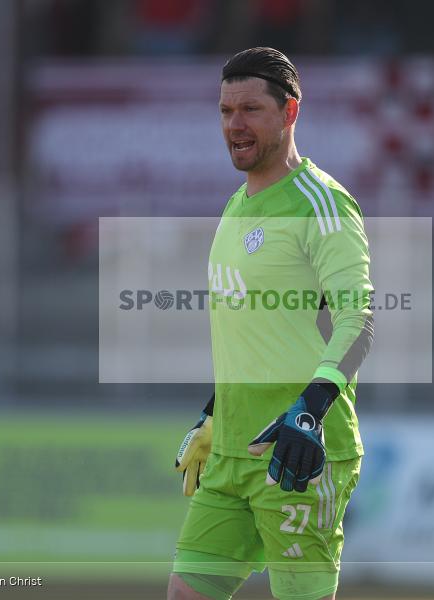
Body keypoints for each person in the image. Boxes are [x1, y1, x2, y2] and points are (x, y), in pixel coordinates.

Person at [168, 47, 375, 600]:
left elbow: (359, 322)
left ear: (290, 113)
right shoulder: (236, 205)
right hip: (234, 451)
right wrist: (216, 414)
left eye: (251, 109)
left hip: (298, 449)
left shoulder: (321, 203)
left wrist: (309, 410)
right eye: (225, 111)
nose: (235, 124)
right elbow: (253, 329)